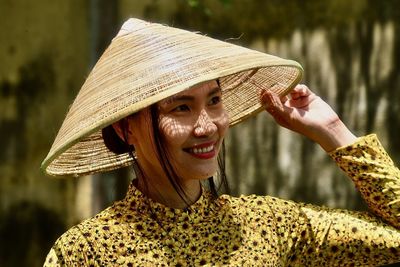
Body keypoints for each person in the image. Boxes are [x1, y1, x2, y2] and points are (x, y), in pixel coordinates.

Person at [43, 18, 400, 266]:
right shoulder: (86, 251)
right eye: (181, 107)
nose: (207, 126)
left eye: (214, 101)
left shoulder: (267, 225)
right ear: (125, 130)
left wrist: (335, 131)